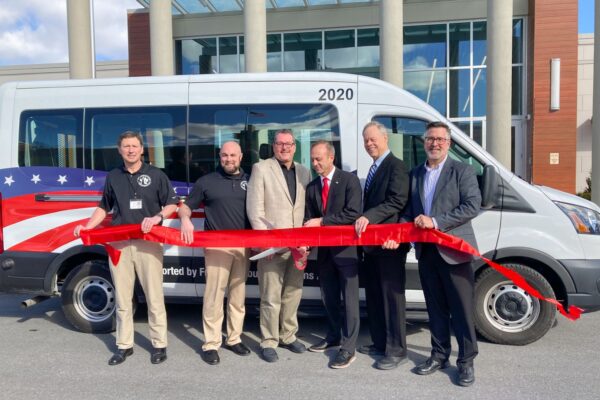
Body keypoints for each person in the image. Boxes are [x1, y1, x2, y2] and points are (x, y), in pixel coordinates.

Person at [383, 121, 481, 387]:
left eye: (440, 139)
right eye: (430, 139)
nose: (434, 143)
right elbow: (409, 213)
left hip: (455, 251)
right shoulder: (415, 174)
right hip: (427, 253)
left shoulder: (462, 171)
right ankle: (439, 355)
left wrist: (436, 222)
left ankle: (466, 362)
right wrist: (396, 234)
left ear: (448, 143)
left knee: (461, 310)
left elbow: (472, 205)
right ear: (424, 142)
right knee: (435, 309)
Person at [74, 131, 178, 366]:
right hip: (120, 244)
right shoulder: (113, 176)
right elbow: (104, 208)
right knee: (122, 298)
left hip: (148, 242)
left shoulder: (156, 175)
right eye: (125, 146)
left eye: (134, 146)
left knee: (154, 297)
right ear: (119, 150)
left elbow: (172, 204)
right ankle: (124, 346)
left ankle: (159, 344)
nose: (130, 150)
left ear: (142, 149)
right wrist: (87, 227)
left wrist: (157, 217)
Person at [178, 141, 252, 366]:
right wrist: (185, 220)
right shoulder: (206, 181)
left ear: (241, 156)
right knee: (214, 296)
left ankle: (234, 338)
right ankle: (211, 343)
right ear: (219, 157)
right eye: (224, 156)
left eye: (233, 155)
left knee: (238, 297)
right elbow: (185, 206)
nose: (229, 159)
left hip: (244, 245)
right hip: (216, 245)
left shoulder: (252, 180)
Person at [246, 129, 311, 363]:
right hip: (272, 247)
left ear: (295, 147)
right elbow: (255, 210)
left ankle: (288, 335)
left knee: (293, 292)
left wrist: (306, 240)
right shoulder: (261, 168)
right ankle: (269, 340)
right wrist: (265, 244)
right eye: (280, 143)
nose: (284, 148)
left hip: (298, 246)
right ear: (273, 146)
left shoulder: (304, 171)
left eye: (289, 144)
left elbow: (307, 209)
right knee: (270, 295)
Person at [354, 121, 410, 370]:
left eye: (373, 139)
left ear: (385, 138)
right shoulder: (375, 167)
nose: (369, 144)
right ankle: (379, 343)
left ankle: (397, 350)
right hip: (372, 246)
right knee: (375, 296)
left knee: (391, 298)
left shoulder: (396, 166)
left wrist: (370, 216)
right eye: (366, 140)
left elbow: (397, 200)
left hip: (390, 245)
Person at [303, 141, 362, 369]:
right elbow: (309, 220)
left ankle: (348, 348)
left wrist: (323, 221)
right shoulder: (312, 187)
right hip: (324, 252)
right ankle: (333, 336)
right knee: (329, 297)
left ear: (331, 158)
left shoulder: (349, 180)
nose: (315, 163)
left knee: (349, 300)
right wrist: (304, 245)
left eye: (319, 159)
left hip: (346, 251)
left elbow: (353, 213)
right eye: (313, 159)